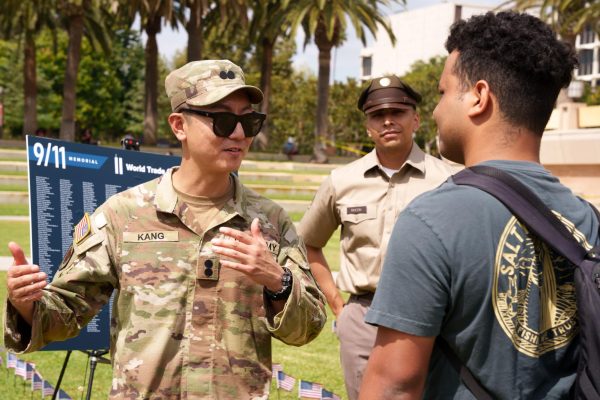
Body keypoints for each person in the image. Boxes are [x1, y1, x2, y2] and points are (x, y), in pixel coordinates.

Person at [4, 59, 327, 399]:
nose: (238, 134)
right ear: (179, 125)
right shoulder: (122, 215)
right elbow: (65, 313)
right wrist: (26, 304)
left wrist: (278, 281)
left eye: (249, 121)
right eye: (223, 120)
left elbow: (307, 328)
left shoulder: (270, 222)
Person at [360, 12, 598, 399]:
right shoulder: (588, 220)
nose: (435, 110)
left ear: (478, 97)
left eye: (442, 93)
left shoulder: (430, 219)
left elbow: (394, 386)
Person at [297, 76, 454, 400]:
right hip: (363, 316)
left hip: (430, 315)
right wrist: (339, 307)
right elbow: (309, 243)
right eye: (377, 115)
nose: (388, 121)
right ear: (367, 126)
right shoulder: (342, 181)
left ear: (416, 119)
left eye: (398, 112)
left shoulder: (448, 180)